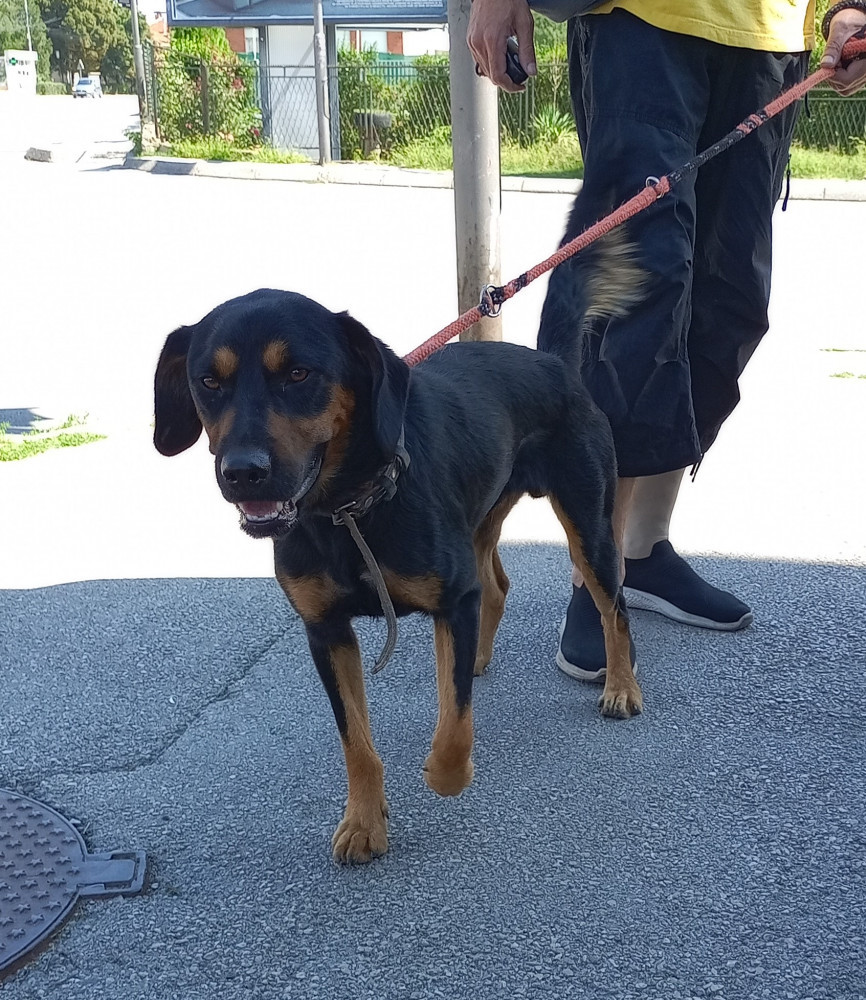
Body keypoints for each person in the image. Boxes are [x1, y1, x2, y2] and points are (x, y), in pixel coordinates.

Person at [468, 1, 866, 681]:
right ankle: (595, 569)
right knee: (631, 299)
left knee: (729, 303)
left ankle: (645, 546)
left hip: (771, 35)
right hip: (641, 24)